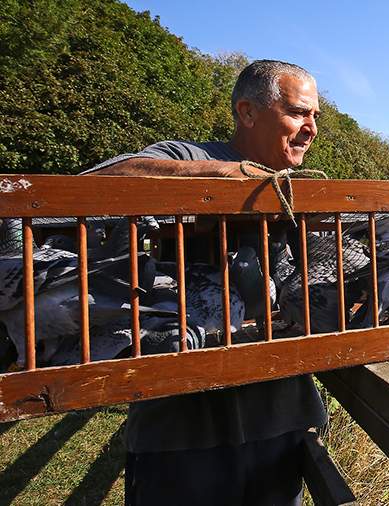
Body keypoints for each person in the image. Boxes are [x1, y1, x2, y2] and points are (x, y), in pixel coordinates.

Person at [85, 60, 326, 505]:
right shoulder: (188, 158)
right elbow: (99, 182)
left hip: (278, 417)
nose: (311, 128)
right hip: (179, 426)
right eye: (298, 112)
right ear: (248, 112)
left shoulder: (302, 190)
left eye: (315, 117)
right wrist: (230, 178)